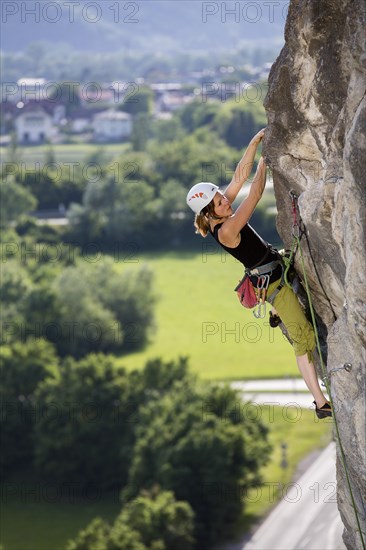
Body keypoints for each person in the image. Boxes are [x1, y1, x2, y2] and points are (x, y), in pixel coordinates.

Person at [186, 129, 332, 419]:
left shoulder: (219, 214)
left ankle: (318, 396)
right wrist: (266, 161)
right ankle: (320, 403)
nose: (225, 201)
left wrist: (253, 142)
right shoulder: (226, 229)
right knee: (303, 337)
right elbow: (252, 194)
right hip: (275, 284)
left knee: (304, 329)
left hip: (274, 269)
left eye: (221, 198)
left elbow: (239, 179)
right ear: (208, 213)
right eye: (219, 202)